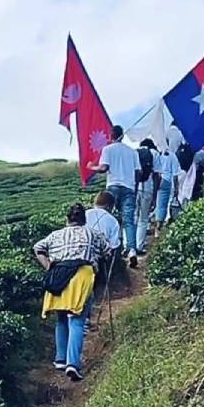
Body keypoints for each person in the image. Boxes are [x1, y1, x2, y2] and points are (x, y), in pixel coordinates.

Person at [33, 203, 110, 381]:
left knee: (61, 317)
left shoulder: (55, 234)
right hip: (82, 274)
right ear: (84, 219)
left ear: (67, 219)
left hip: (59, 275)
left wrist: (47, 266)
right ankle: (72, 364)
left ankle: (60, 359)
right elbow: (107, 251)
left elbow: (38, 248)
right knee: (77, 319)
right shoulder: (93, 233)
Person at [89, 125, 141, 268]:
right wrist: (134, 188)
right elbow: (138, 173)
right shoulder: (132, 152)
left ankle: (109, 249)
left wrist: (91, 167)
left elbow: (104, 168)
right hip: (129, 187)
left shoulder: (107, 149)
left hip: (113, 186)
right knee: (128, 220)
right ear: (122, 136)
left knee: (107, 216)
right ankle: (131, 250)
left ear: (110, 136)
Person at [86, 191, 121, 284]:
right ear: (109, 206)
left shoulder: (85, 213)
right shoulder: (113, 220)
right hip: (99, 257)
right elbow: (114, 245)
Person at [135, 138, 161, 254]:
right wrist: (155, 196)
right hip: (148, 188)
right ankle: (139, 246)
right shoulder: (154, 153)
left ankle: (128, 246)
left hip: (134, 188)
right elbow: (157, 176)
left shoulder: (134, 152)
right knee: (143, 219)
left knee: (132, 218)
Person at [154, 144, 181, 228]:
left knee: (155, 201)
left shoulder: (156, 153)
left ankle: (152, 220)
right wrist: (176, 188)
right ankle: (159, 224)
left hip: (155, 179)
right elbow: (175, 174)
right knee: (163, 204)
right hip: (166, 180)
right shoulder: (172, 155)